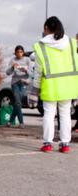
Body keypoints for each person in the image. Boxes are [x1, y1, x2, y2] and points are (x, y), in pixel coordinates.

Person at [28, 17, 78, 153]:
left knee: (49, 114)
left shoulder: (41, 47)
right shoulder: (72, 44)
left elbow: (38, 72)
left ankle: (48, 143)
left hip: (50, 87)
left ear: (46, 29)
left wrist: (34, 92)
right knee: (65, 114)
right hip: (68, 86)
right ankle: (65, 144)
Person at [5, 45, 33, 128]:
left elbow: (31, 74)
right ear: (15, 53)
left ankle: (10, 122)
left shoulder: (27, 60)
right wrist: (13, 67)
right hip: (15, 82)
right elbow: (7, 72)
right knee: (18, 102)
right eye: (17, 52)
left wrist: (26, 70)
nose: (19, 54)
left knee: (17, 103)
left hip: (24, 83)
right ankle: (21, 122)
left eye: (21, 52)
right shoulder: (13, 60)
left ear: (23, 53)